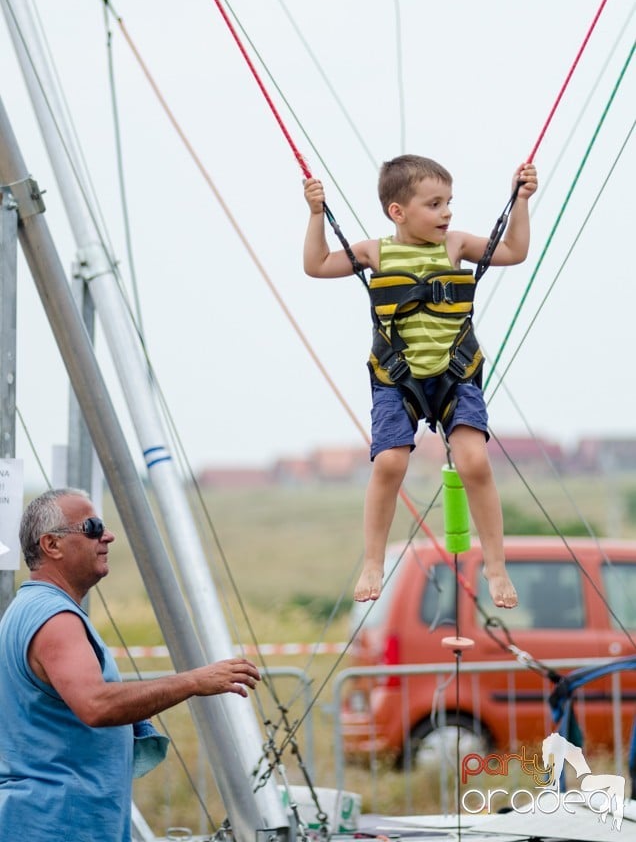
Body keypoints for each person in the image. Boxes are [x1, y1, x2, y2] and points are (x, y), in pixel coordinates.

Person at [303, 154, 537, 605]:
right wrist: (317, 215)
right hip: (397, 378)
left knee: (474, 461)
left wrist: (521, 200)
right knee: (389, 462)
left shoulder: (456, 247)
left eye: (449, 202)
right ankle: (373, 560)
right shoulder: (375, 252)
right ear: (398, 211)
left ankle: (495, 565)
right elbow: (316, 264)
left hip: (456, 373)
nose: (446, 213)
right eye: (434, 204)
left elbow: (514, 252)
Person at [0, 487, 261, 842]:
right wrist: (195, 681)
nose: (107, 536)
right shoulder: (54, 617)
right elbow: (96, 705)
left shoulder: (30, 608)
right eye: (92, 527)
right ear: (52, 545)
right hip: (61, 822)